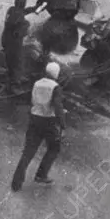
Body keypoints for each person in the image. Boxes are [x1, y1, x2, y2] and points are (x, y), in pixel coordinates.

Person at [11, 62, 65, 191]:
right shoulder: (55, 87)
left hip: (34, 119)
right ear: (56, 74)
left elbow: (32, 100)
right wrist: (62, 125)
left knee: (28, 152)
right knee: (54, 148)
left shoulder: (37, 83)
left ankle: (16, 183)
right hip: (49, 122)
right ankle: (41, 174)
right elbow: (58, 106)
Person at [2, 0, 34, 92]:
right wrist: (25, 25)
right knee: (15, 61)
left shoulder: (12, 9)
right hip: (13, 41)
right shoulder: (18, 17)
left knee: (13, 60)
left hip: (7, 38)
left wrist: (34, 8)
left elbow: (22, 12)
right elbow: (17, 23)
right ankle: (15, 84)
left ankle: (17, 77)